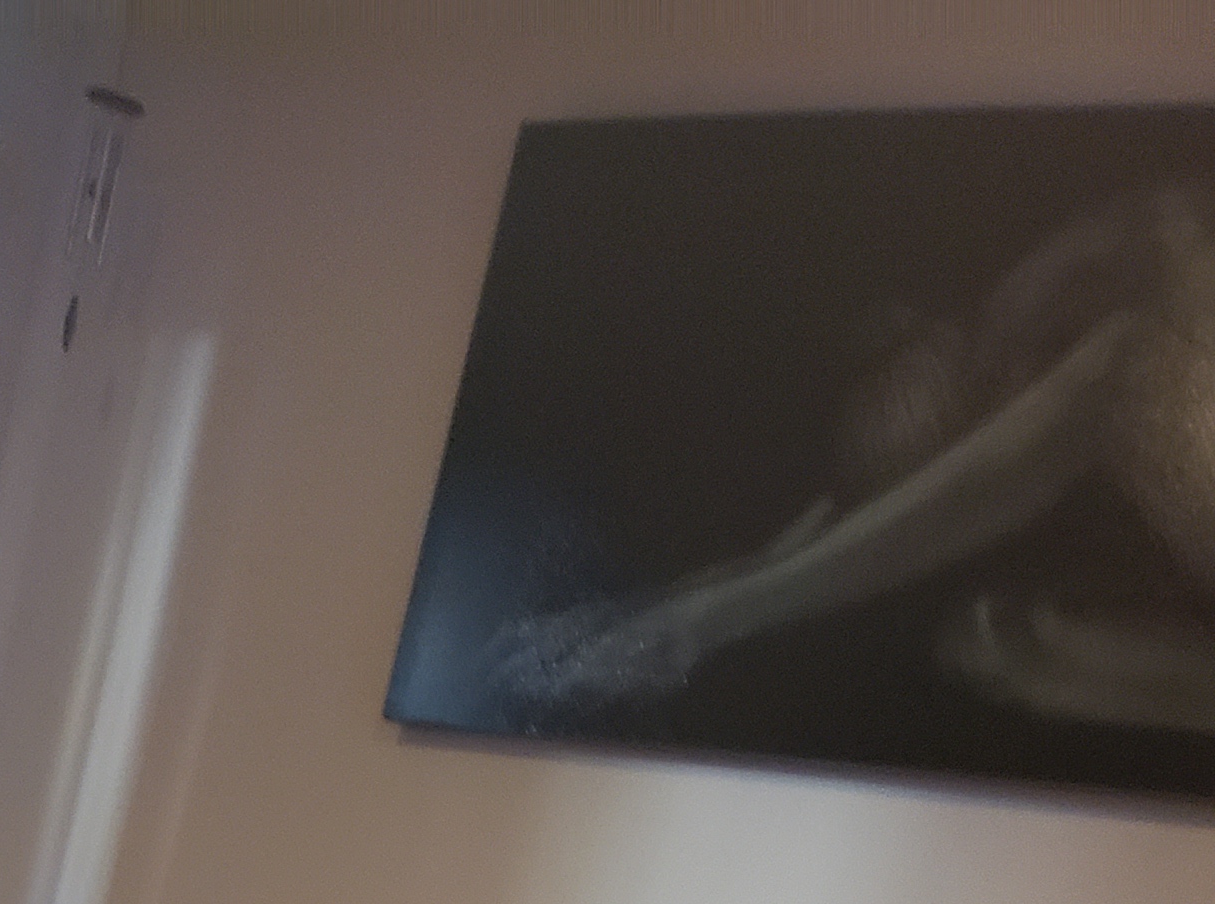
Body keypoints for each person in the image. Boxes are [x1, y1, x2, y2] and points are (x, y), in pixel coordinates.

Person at [496, 175, 1215, 732]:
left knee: (1128, 360)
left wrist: (707, 614)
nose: (1015, 395)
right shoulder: (1106, 527)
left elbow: (1040, 410)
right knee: (1018, 636)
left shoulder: (1135, 271)